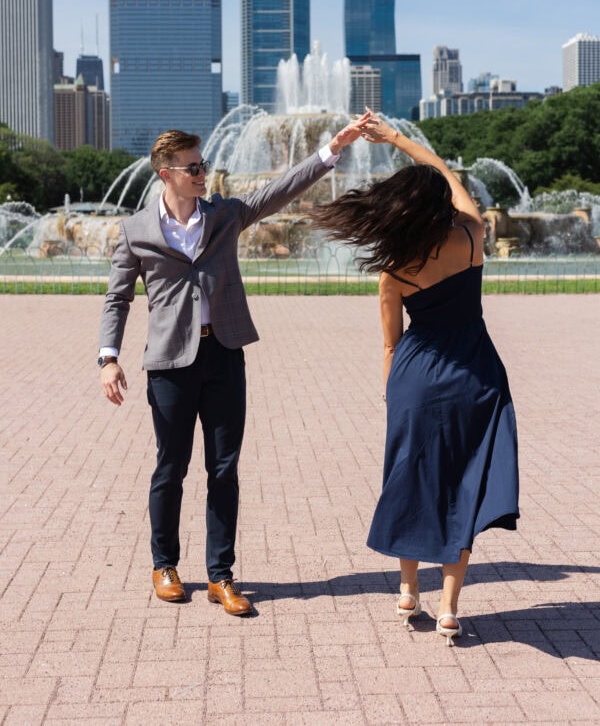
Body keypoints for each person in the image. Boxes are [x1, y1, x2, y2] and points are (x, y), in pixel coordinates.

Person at [99, 121, 363, 611]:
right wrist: (108, 357)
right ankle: (165, 566)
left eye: (205, 165)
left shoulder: (225, 214)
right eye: (194, 167)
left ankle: (221, 576)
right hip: (170, 365)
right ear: (167, 173)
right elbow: (117, 299)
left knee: (224, 469)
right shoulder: (135, 230)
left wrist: (333, 148)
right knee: (170, 468)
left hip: (223, 354)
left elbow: (278, 192)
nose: (204, 174)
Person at [311, 109, 519, 645]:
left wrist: (393, 396)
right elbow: (448, 176)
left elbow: (389, 342)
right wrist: (399, 139)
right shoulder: (472, 238)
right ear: (440, 207)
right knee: (464, 483)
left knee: (411, 478)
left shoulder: (394, 269)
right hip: (476, 375)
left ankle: (409, 591)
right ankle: (449, 608)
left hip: (415, 379)